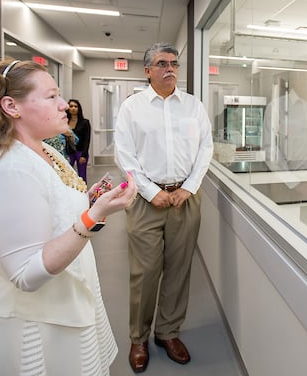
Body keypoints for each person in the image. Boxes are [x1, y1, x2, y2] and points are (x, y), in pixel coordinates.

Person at [0, 58, 138, 375]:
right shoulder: (9, 172)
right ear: (11, 106)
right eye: (51, 96)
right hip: (37, 327)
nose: (64, 104)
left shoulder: (43, 151)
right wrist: (93, 218)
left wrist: (92, 203)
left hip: (65, 308)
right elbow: (27, 273)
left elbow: (53, 211)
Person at [114, 42, 213, 373]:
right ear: (148, 71)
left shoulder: (193, 107)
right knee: (145, 273)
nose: (170, 68)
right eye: (162, 63)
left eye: (174, 63)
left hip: (185, 198)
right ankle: (138, 337)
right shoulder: (132, 108)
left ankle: (168, 332)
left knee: (179, 268)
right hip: (146, 201)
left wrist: (189, 187)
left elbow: (205, 150)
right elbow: (124, 156)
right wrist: (150, 190)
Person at [67, 99, 91, 182]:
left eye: (75, 106)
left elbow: (86, 140)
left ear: (79, 108)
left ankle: (83, 193)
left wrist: (84, 155)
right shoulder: (64, 122)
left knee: (82, 175)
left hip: (81, 152)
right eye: (71, 106)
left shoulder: (85, 122)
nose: (73, 108)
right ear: (68, 108)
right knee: (67, 174)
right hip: (68, 152)